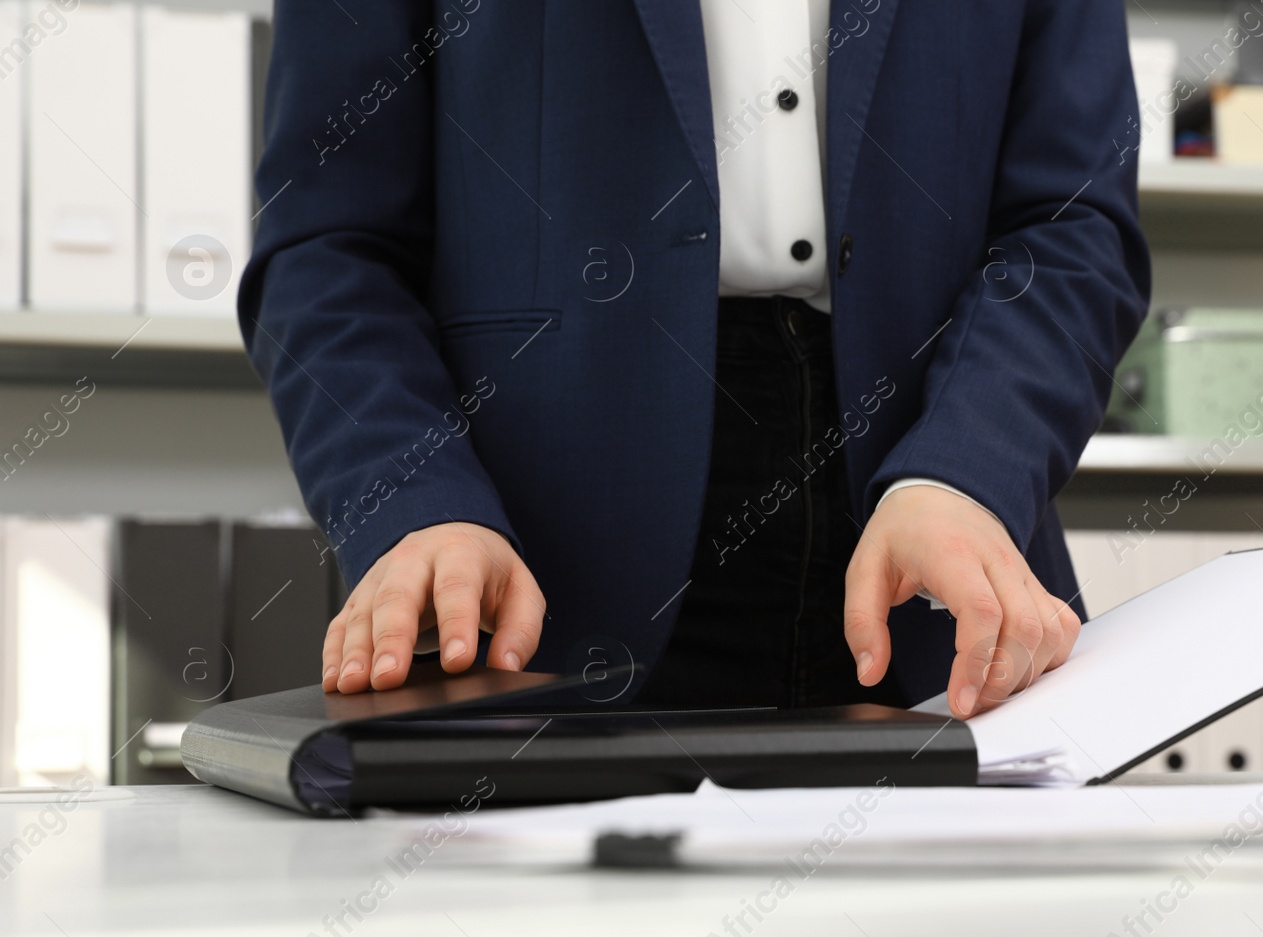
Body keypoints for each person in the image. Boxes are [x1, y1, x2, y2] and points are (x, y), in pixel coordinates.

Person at [239, 0, 1151, 719]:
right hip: (533, 573)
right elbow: (326, 246)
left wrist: (971, 470)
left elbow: (1073, 224)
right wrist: (414, 501)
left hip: (939, 555)